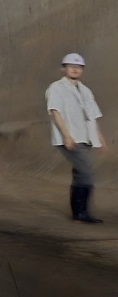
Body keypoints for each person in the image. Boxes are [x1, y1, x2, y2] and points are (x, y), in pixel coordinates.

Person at [46, 53, 106, 224]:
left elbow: (92, 116)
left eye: (78, 67)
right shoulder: (56, 88)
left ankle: (80, 212)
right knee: (86, 172)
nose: (74, 69)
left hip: (86, 138)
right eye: (70, 66)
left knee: (81, 173)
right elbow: (55, 111)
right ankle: (80, 213)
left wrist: (99, 138)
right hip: (71, 137)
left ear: (82, 70)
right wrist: (66, 136)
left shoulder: (86, 90)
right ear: (63, 68)